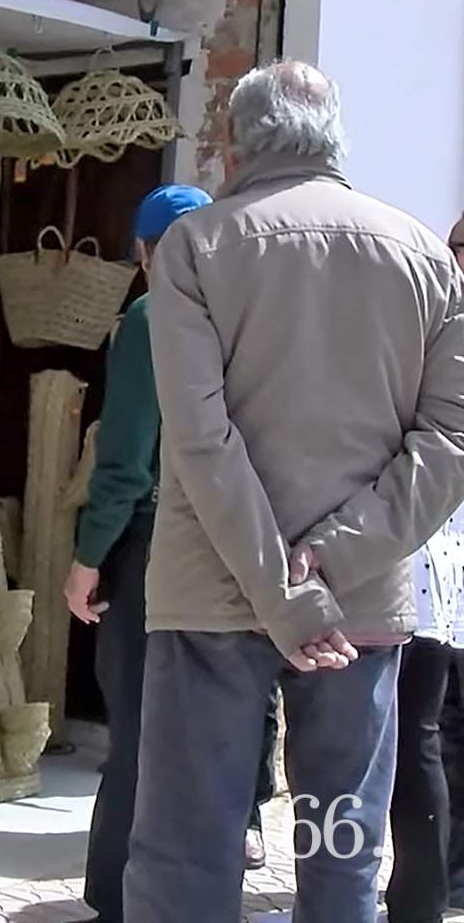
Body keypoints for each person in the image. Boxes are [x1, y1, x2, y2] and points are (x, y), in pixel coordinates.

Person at [124, 60, 464, 921]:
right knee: (340, 853)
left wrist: (282, 590)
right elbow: (448, 443)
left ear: (234, 142)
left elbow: (200, 442)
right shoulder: (425, 257)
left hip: (210, 594)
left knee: (189, 853)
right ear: (334, 135)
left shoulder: (196, 248)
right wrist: (328, 561)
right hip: (361, 603)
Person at [64, 184, 282, 923]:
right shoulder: (250, 315)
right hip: (240, 537)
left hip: (156, 537)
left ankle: (116, 895)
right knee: (221, 720)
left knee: (137, 721)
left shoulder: (153, 315)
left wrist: (88, 555)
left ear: (142, 252)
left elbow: (126, 457)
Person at [389, 500, 464, 923]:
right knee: (427, 745)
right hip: (439, 599)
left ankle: (420, 900)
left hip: (413, 596)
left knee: (413, 747)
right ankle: (432, 894)